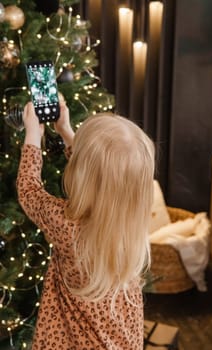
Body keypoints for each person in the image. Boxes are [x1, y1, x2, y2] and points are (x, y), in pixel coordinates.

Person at [17, 99, 155, 350]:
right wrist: (65, 129)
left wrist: (33, 137)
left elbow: (29, 191)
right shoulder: (131, 223)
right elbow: (102, 174)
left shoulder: (68, 225)